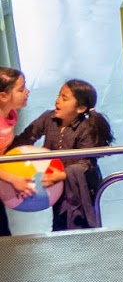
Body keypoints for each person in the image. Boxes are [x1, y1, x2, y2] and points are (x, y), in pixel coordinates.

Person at [15, 80, 114, 231]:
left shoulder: (86, 128)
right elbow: (26, 137)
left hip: (81, 184)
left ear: (80, 108)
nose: (57, 101)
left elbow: (85, 163)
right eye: (59, 95)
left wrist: (61, 175)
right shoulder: (48, 118)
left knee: (79, 222)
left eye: (64, 98)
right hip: (56, 184)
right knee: (59, 220)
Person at [0, 68, 31, 237]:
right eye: (21, 89)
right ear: (3, 96)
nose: (27, 92)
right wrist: (14, 179)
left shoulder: (11, 113)